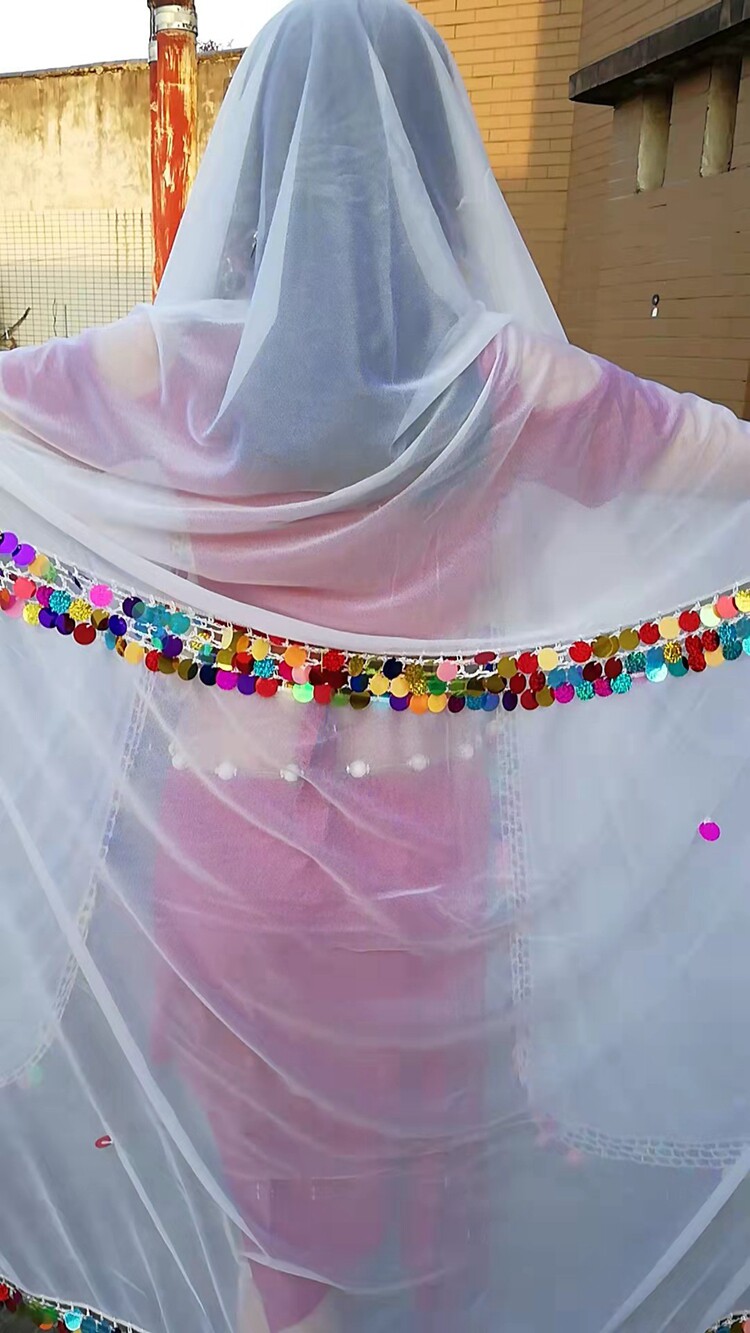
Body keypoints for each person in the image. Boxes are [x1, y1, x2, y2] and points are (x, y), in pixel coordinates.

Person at [1, 1, 750, 1330]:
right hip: (428, 859)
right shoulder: (505, 382)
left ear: (254, 154)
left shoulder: (169, 361)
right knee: (431, 1195)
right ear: (435, 158)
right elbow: (722, 467)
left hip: (230, 856)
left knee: (277, 1228)